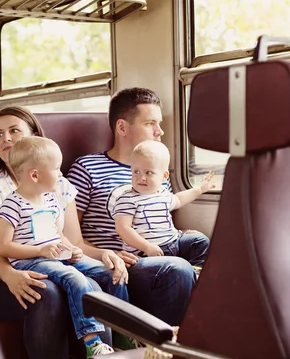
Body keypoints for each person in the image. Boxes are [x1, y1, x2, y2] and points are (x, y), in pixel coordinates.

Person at [0, 106, 128, 359]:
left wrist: (102, 255)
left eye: (14, 131)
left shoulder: (57, 184)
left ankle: (115, 358)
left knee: (104, 277)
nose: (5, 139)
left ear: (35, 137)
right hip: (1, 273)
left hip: (53, 259)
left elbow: (66, 239)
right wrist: (11, 276)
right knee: (46, 290)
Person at [67, 87, 203, 327]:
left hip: (158, 250)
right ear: (122, 128)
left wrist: (182, 234)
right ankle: (164, 349)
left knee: (209, 247)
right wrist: (106, 255)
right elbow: (70, 235)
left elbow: (161, 219)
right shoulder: (86, 168)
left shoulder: (158, 170)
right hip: (121, 263)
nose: (159, 131)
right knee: (178, 269)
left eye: (158, 123)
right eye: (151, 123)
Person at [0, 136, 129, 357]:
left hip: (57, 256)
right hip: (32, 261)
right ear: (35, 175)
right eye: (56, 169)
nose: (60, 174)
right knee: (75, 278)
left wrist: (71, 250)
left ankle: (124, 332)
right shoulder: (12, 205)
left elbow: (58, 236)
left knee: (112, 272)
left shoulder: (51, 199)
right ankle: (92, 342)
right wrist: (40, 250)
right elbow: (2, 246)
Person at [112, 140, 213, 273]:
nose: (141, 177)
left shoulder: (163, 194)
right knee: (175, 267)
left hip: (173, 241)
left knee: (200, 241)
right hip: (144, 252)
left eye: (148, 173)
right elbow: (123, 228)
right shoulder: (127, 199)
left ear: (164, 176)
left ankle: (197, 273)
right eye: (136, 172)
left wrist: (199, 189)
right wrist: (146, 246)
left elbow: (179, 199)